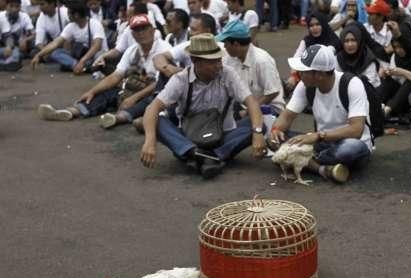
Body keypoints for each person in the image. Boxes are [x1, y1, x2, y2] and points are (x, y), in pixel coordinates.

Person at [140, 33, 266, 179]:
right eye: (212, 62)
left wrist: (257, 132)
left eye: (219, 60)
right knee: (157, 122)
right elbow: (152, 108)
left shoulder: (228, 74)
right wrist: (149, 142)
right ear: (195, 60)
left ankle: (200, 156)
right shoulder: (181, 79)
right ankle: (199, 153)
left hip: (222, 137)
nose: (218, 65)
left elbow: (251, 102)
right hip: (190, 137)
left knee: (259, 124)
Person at [35, 15, 170, 128]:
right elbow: (116, 76)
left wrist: (133, 98)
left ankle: (116, 119)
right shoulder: (132, 50)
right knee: (105, 93)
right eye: (137, 30)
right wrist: (92, 91)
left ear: (153, 30)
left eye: (144, 28)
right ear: (132, 34)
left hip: (156, 92)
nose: (141, 33)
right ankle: (70, 112)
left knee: (150, 102)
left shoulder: (164, 49)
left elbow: (159, 84)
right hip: (132, 88)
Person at [269, 44, 373, 183]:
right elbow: (287, 116)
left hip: (350, 142)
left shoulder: (351, 84)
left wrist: (317, 136)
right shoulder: (305, 85)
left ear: (319, 74)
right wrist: (276, 130)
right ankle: (323, 169)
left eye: (304, 71)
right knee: (272, 139)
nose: (299, 73)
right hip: (320, 143)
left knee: (350, 149)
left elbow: (356, 130)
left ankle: (300, 159)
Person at [218, 20, 285, 129]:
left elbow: (272, 92)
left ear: (236, 44)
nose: (224, 46)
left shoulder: (262, 60)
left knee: (235, 129)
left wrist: (248, 111)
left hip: (269, 109)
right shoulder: (229, 58)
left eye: (226, 43)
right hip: (243, 105)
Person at [31, 3, 108, 74]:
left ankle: (81, 66)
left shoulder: (94, 23)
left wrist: (82, 61)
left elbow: (97, 46)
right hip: (81, 56)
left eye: (69, 13)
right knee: (56, 53)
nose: (68, 16)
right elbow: (56, 43)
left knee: (99, 57)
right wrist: (39, 55)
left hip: (95, 55)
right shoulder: (71, 26)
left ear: (76, 15)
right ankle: (78, 66)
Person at [287, 11, 342, 92]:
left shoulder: (334, 40)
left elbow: (326, 55)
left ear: (323, 24)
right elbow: (297, 56)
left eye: (317, 24)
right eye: (311, 25)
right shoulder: (307, 40)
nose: (314, 28)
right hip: (312, 76)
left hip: (330, 76)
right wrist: (293, 75)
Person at [336, 23, 381, 87]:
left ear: (359, 41)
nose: (350, 45)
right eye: (346, 41)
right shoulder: (339, 58)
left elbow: (369, 84)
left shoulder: (367, 59)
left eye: (353, 40)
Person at [0, 0, 33, 70]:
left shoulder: (24, 16)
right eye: (11, 6)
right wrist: (8, 46)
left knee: (17, 54)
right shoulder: (2, 16)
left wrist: (25, 39)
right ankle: (6, 63)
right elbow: (7, 36)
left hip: (17, 48)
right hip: (4, 48)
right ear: (6, 7)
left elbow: (33, 33)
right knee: (14, 55)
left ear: (20, 7)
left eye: (17, 6)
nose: (14, 9)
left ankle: (7, 63)